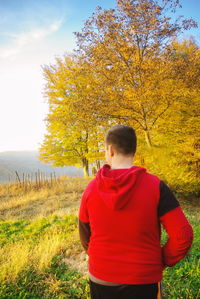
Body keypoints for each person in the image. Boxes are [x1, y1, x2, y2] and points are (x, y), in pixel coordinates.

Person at [78, 124, 194, 299]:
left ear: (110, 150)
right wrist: (161, 260)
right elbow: (183, 235)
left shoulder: (91, 189)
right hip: (144, 279)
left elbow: (85, 235)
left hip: (101, 278)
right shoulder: (155, 186)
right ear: (134, 149)